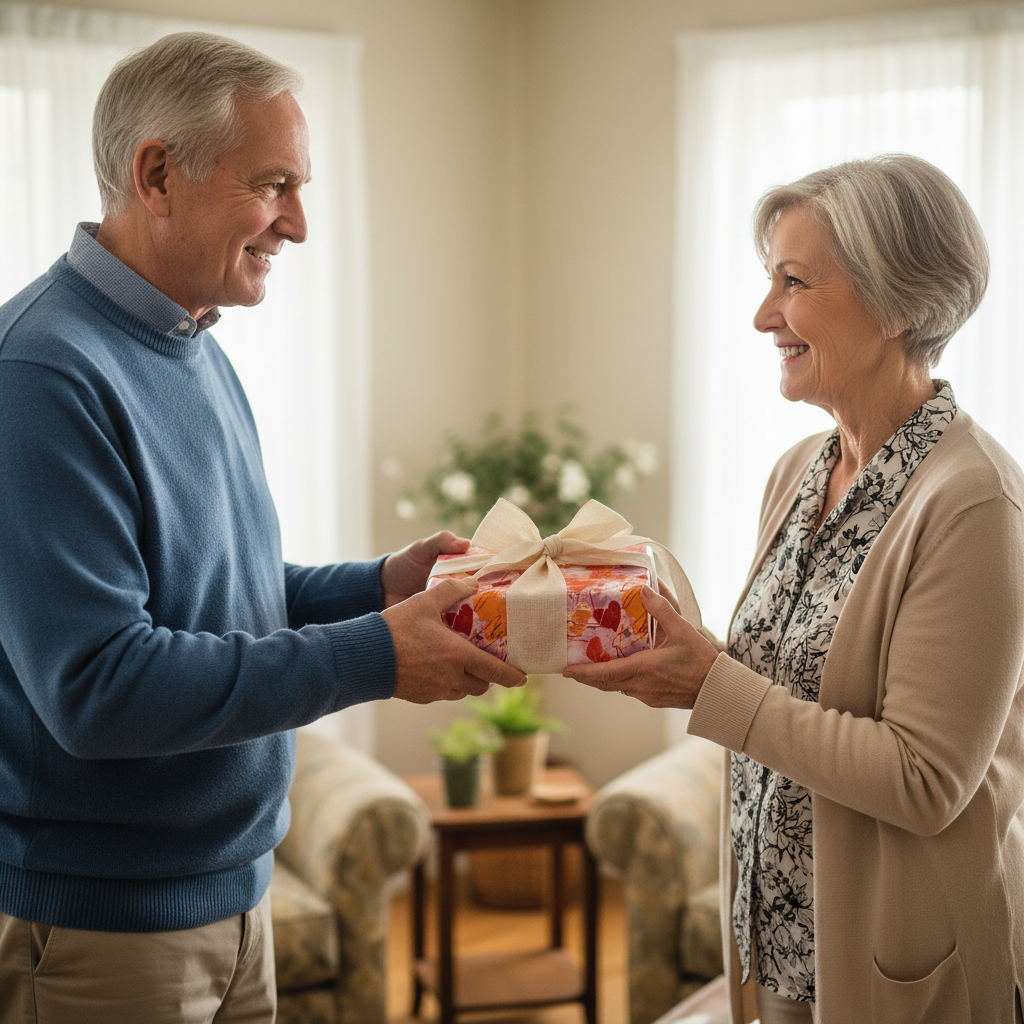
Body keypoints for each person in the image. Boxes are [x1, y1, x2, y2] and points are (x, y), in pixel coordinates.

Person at [0, 31, 525, 1024]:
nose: (299, 224)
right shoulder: (41, 375)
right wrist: (374, 655)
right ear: (158, 172)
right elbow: (98, 687)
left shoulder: (190, 340)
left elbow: (216, 596)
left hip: (234, 903)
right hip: (107, 933)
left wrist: (378, 586)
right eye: (273, 183)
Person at [565, 154, 1024, 1024]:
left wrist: (707, 683)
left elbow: (926, 779)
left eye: (794, 282)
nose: (762, 315)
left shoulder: (975, 502)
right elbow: (784, 683)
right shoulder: (800, 471)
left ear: (900, 303)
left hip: (898, 969)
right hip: (774, 945)